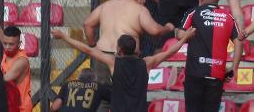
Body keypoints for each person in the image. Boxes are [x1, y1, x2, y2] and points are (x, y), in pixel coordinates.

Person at [52, 28, 196, 112]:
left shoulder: (113, 62)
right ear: (135, 50)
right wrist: (185, 39)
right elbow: (169, 52)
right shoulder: (146, 63)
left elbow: (86, 49)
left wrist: (64, 36)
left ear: (119, 50)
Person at [82, 0, 175, 82]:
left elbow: (87, 24)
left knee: (102, 92)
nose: (144, 1)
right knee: (126, 92)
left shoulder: (106, 5)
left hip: (103, 55)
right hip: (126, 57)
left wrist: (93, 45)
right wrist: (168, 28)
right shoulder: (139, 9)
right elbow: (155, 30)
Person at [0, 11, 33, 112]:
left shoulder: (21, 61)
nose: (7, 47)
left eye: (11, 44)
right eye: (5, 44)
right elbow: (4, 38)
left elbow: (4, 79)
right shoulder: (8, 50)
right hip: (9, 105)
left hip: (21, 108)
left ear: (19, 44)